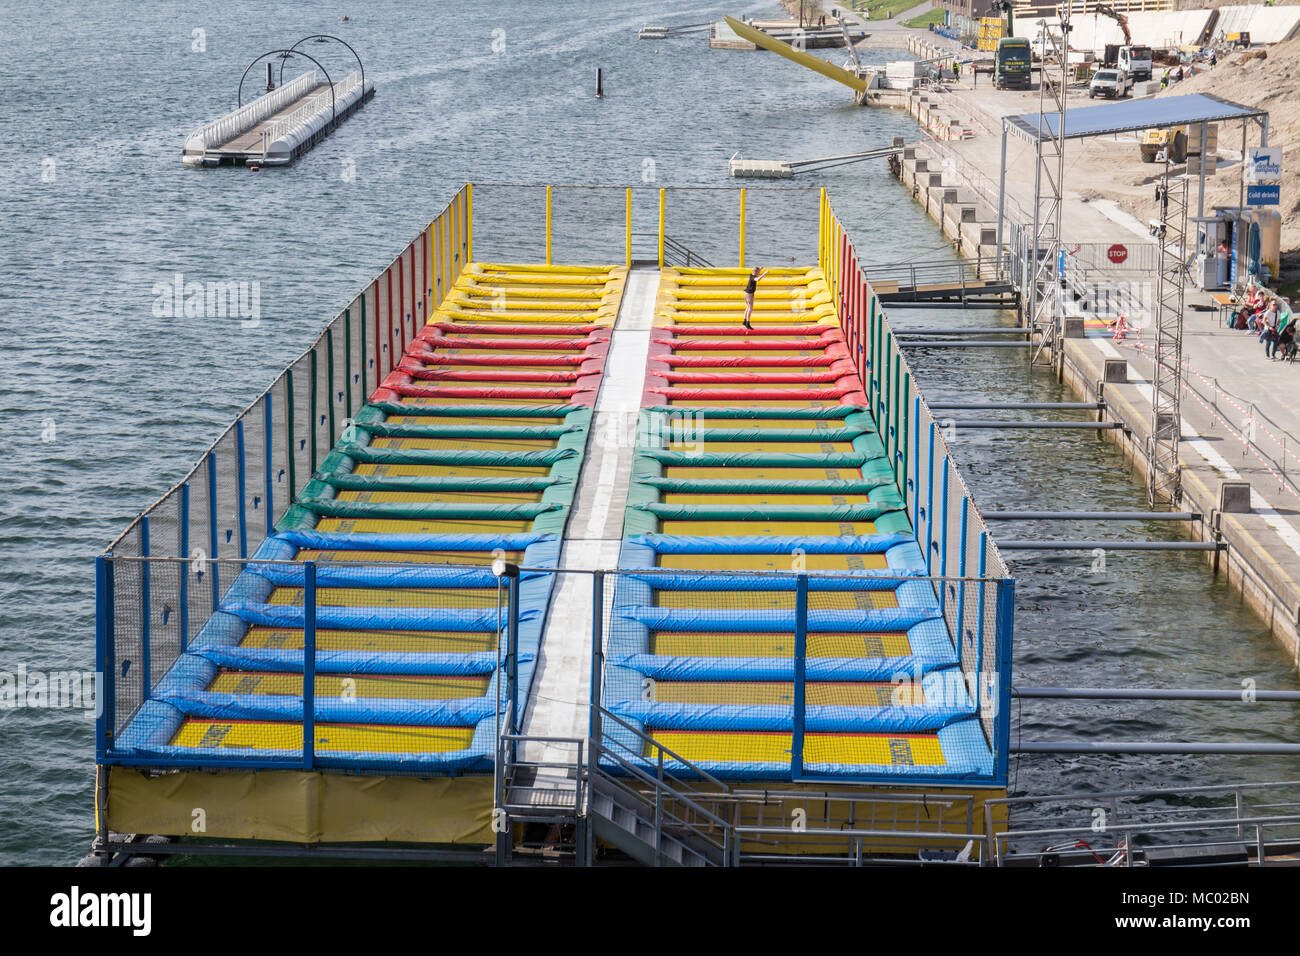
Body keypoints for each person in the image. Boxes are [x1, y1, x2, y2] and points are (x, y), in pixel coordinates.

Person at [742, 266, 769, 330]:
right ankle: (747, 323)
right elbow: (758, 279)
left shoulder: (751, 275)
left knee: (748, 307)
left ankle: (744, 321)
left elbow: (755, 270)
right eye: (758, 272)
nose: (759, 273)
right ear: (755, 272)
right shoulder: (753, 277)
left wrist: (760, 268)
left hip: (747, 293)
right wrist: (764, 274)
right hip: (749, 294)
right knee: (750, 308)